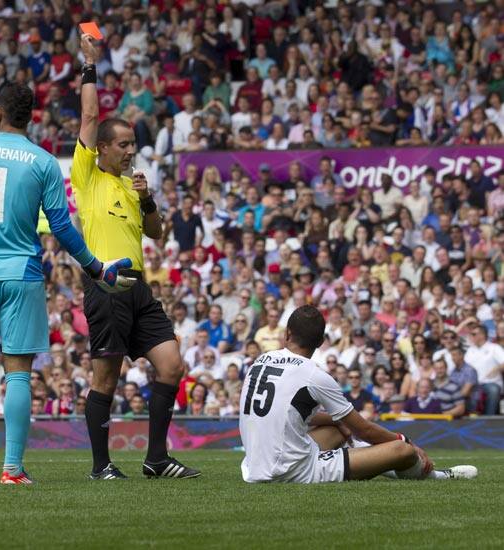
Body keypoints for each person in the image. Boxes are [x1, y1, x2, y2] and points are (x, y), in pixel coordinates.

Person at [0, 82, 132, 486]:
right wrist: (94, 267)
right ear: (31, 117)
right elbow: (61, 229)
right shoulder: (42, 161)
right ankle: (11, 470)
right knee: (17, 372)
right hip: (23, 274)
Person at [72, 34, 199, 481]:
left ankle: (157, 459)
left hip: (139, 288)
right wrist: (90, 64)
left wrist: (147, 201)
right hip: (106, 286)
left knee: (172, 365)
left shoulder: (131, 185)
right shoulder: (87, 175)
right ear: (102, 148)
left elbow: (156, 231)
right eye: (123, 145)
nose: (130, 151)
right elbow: (89, 115)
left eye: (131, 145)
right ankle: (100, 466)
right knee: (105, 380)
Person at [240, 305, 476, 483]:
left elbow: (284, 413)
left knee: (337, 428)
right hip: (292, 471)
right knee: (401, 450)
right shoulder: (314, 374)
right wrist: (408, 442)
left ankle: (376, 459)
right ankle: (435, 475)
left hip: (254, 465)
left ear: (287, 334)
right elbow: (364, 429)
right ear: (321, 341)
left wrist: (337, 421)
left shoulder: (261, 360)